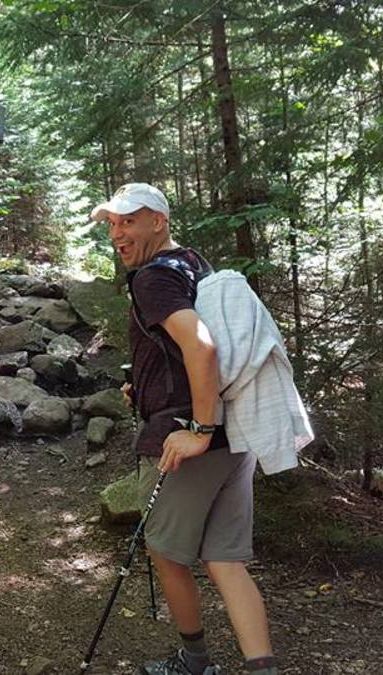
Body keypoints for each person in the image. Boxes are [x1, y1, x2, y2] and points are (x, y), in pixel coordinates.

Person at [90, 183, 278, 675]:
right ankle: (263, 668)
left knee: (165, 551)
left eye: (128, 222)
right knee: (225, 559)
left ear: (159, 221)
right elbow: (185, 350)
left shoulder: (153, 277)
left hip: (189, 438)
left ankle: (194, 662)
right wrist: (146, 387)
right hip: (235, 430)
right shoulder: (193, 263)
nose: (117, 234)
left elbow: (202, 346)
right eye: (112, 224)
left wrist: (198, 428)